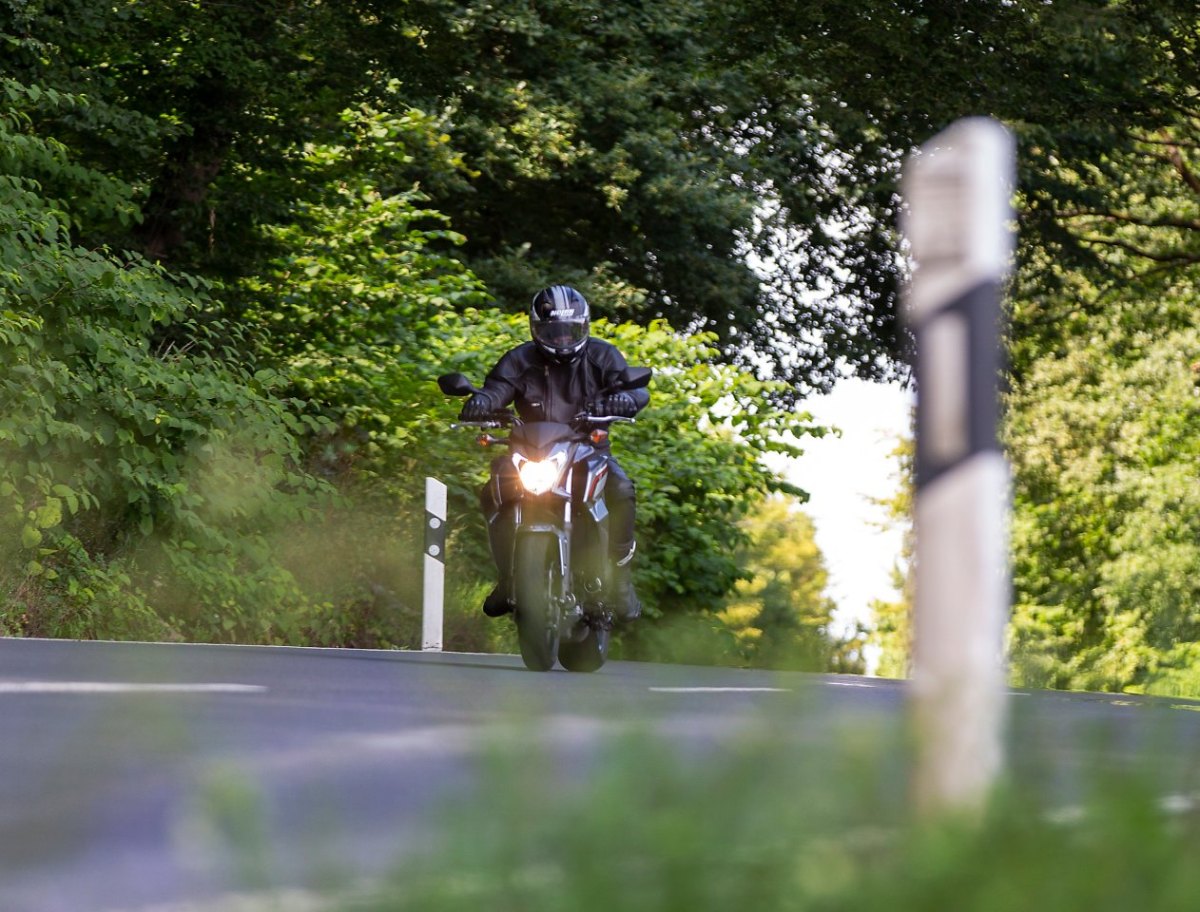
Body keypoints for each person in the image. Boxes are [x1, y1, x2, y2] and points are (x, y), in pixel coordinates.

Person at [459, 284, 649, 621]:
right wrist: (480, 402)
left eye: (569, 331)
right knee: (492, 492)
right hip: (528, 453)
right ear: (536, 329)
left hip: (587, 450)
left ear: (584, 326)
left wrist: (627, 400)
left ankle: (620, 583)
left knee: (621, 490)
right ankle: (507, 580)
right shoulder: (519, 359)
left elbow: (631, 389)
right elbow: (496, 389)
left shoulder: (602, 356)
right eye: (553, 332)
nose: (562, 339)